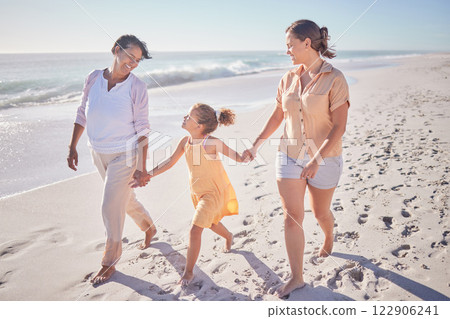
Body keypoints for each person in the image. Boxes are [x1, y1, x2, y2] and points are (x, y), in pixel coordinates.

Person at [243, 20, 350, 298]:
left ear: (307, 43)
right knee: (292, 217)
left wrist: (315, 158)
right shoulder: (287, 78)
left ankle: (328, 235)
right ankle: (297, 277)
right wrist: (256, 144)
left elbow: (339, 126)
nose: (287, 50)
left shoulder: (334, 77)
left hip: (325, 157)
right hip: (289, 155)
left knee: (320, 212)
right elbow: (278, 115)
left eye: (290, 45)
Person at [67, 34, 157, 285]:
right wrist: (72, 145)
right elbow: (82, 111)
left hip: (124, 154)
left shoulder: (137, 87)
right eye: (130, 56)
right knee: (123, 199)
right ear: (116, 50)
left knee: (109, 205)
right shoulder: (94, 77)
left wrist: (142, 167)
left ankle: (109, 262)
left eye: (137, 60)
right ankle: (149, 226)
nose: (133, 63)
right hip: (97, 151)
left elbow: (142, 129)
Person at [131, 103, 244, 287]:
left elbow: (237, 157)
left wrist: (246, 155)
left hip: (212, 193)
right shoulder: (185, 142)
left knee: (195, 229)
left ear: (199, 126)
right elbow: (169, 162)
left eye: (188, 117)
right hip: (197, 192)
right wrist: (148, 174)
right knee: (212, 223)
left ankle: (189, 271)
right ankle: (229, 236)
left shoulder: (212, 143)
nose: (184, 117)